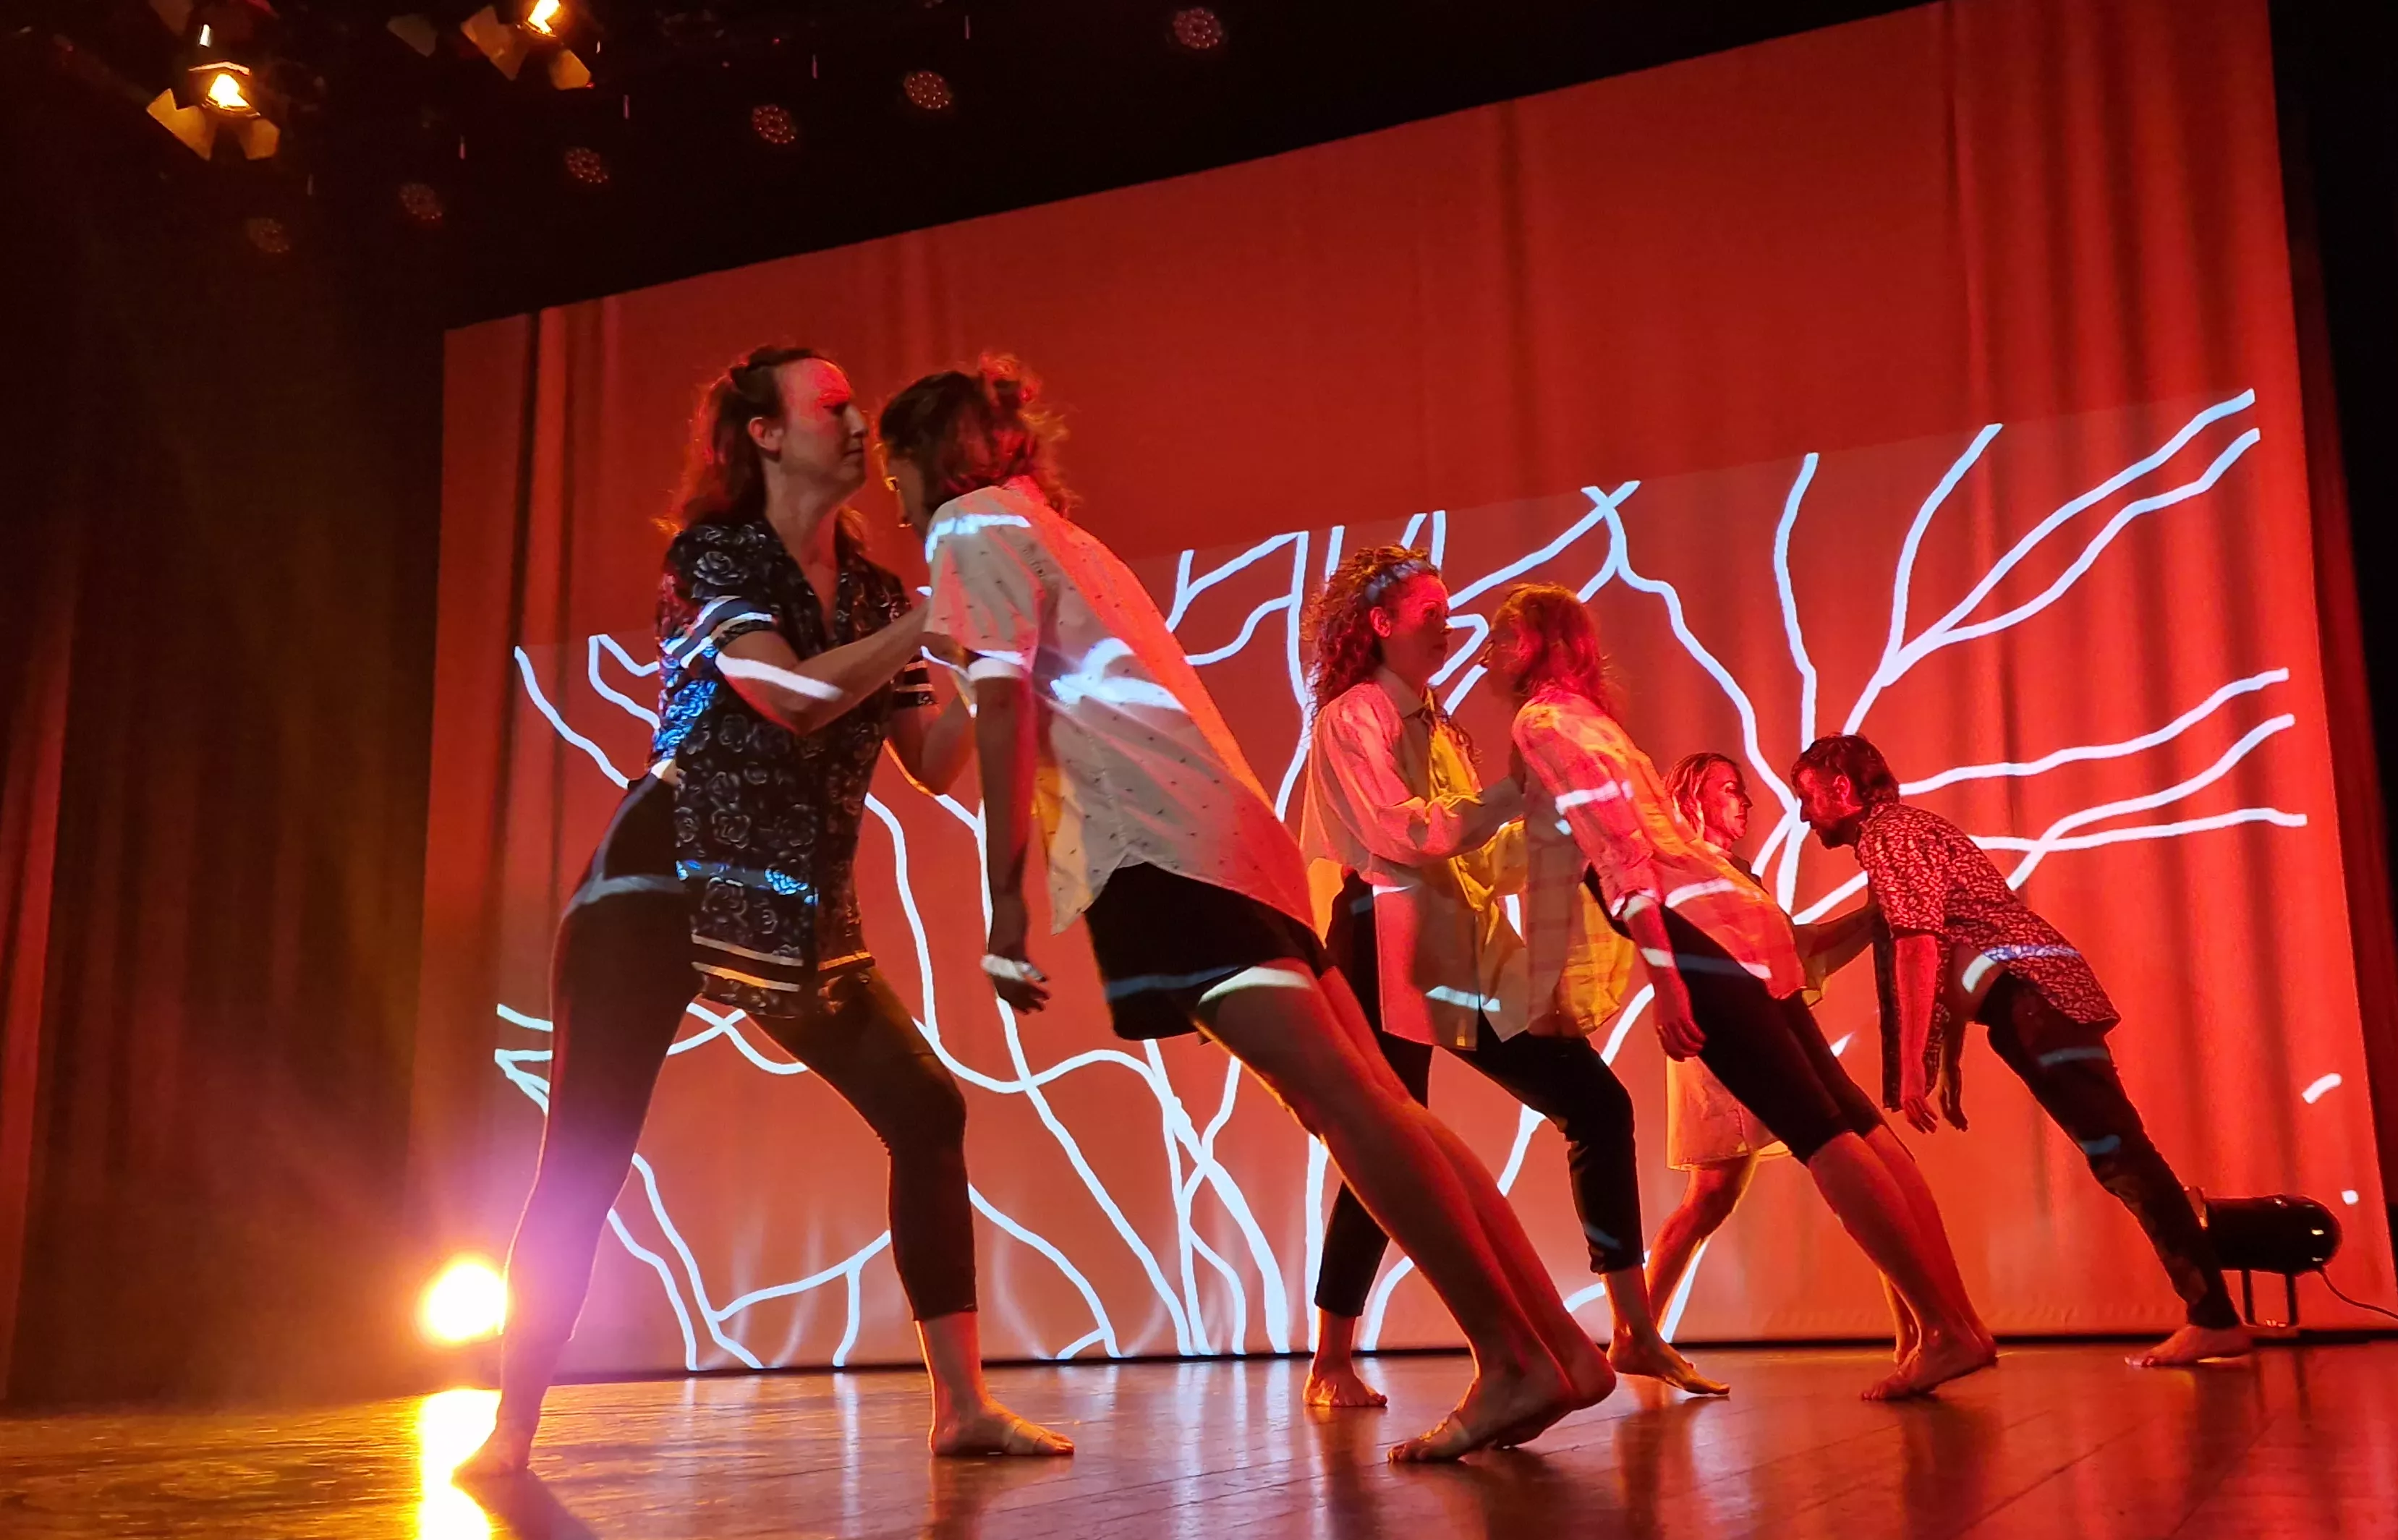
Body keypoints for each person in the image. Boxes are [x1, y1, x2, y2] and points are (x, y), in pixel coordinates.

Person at [880, 359, 1614, 1460]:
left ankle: (1513, 1357)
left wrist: (1003, 907)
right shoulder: (1060, 536)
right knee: (1376, 1101)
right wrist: (891, 666)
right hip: (1227, 837)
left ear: (930, 458)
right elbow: (941, 752)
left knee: (1347, 1107)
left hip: (1155, 850)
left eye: (893, 473)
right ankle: (1558, 1347)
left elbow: (999, 720)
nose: (894, 505)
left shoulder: (970, 523)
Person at [465, 346, 1066, 1481]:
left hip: (794, 907)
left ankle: (962, 1408)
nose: (860, 423)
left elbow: (932, 761)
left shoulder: (877, 593)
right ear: (766, 434)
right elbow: (785, 695)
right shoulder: (714, 557)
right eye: (833, 406)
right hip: (661, 886)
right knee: (586, 1158)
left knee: (925, 1110)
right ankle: (509, 1430)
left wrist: (1012, 660)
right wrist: (927, 627)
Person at [1492, 584, 1994, 1400]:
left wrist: (1666, 977)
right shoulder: (1598, 723)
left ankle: (1945, 1327)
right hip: (1737, 923)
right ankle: (1956, 1323)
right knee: (1851, 1124)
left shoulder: (1544, 722)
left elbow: (1620, 857)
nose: (1487, 651)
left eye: (1502, 635)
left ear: (1542, 644)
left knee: (1820, 1133)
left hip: (1694, 933)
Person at [1294, 545, 1719, 1409]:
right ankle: (1331, 1355)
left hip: (1462, 937)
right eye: (1431, 612)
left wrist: (1570, 821)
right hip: (1385, 937)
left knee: (1595, 1104)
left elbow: (1482, 860)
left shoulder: (1437, 722)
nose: (1450, 627)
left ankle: (1633, 1327)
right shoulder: (1353, 715)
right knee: (1391, 1142)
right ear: (1380, 623)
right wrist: (1507, 798)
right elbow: (1399, 830)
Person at [1790, 732, 2253, 1366]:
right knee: (2119, 1154)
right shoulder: (1912, 831)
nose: (1804, 814)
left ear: (1842, 787)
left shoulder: (1889, 836)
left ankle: (2214, 1316)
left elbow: (1920, 946)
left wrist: (1915, 1067)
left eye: (1806, 796)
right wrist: (1949, 1058)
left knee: (2121, 1154)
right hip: (2038, 1001)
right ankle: (2212, 1313)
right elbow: (1961, 940)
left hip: (2037, 1002)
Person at [1642, 754, 1988, 1374]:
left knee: (1860, 1161)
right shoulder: (1681, 868)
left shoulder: (1739, 874)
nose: (1745, 802)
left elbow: (1799, 948)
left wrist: (1877, 914)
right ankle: (1636, 1330)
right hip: (1724, 1043)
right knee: (1715, 1196)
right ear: (1692, 797)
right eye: (1730, 789)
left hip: (1774, 1034)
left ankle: (1920, 1332)